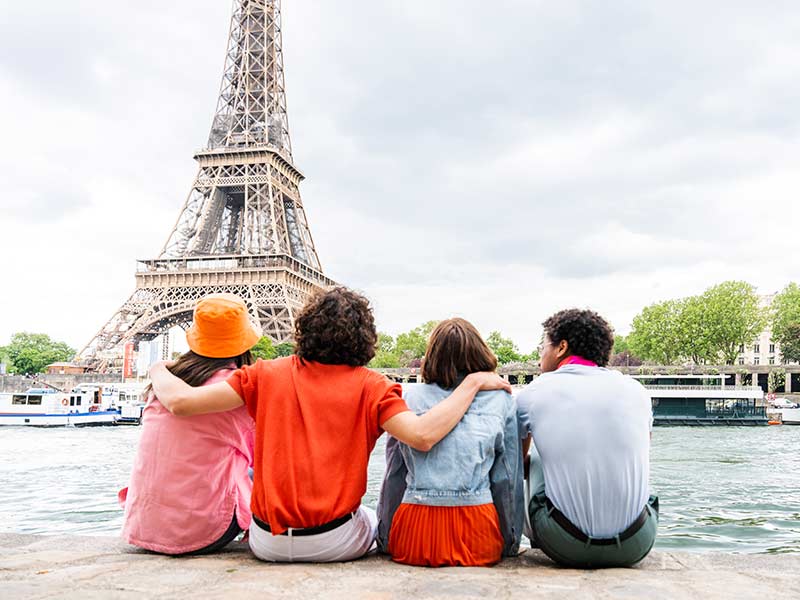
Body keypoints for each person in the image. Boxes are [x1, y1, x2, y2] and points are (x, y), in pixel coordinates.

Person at [149, 287, 510, 563]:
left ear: (304, 327)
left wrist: (156, 370)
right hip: (332, 541)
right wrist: (473, 383)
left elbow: (181, 403)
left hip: (266, 542)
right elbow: (423, 436)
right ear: (365, 337)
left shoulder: (263, 375)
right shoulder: (373, 386)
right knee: (370, 516)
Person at [119, 293, 260, 555]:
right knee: (259, 471)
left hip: (143, 527)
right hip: (202, 531)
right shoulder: (238, 385)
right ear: (244, 342)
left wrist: (157, 369)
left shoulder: (165, 381)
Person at [516, 309, 658, 568]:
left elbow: (514, 464)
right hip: (636, 542)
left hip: (564, 543)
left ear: (561, 347)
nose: (539, 356)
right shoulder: (637, 391)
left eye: (542, 346)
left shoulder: (533, 394)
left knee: (537, 454)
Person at [377, 318, 524, 567]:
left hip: (415, 534)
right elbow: (507, 481)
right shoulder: (502, 400)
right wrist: (510, 541)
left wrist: (385, 537)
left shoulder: (410, 398)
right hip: (477, 533)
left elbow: (394, 475)